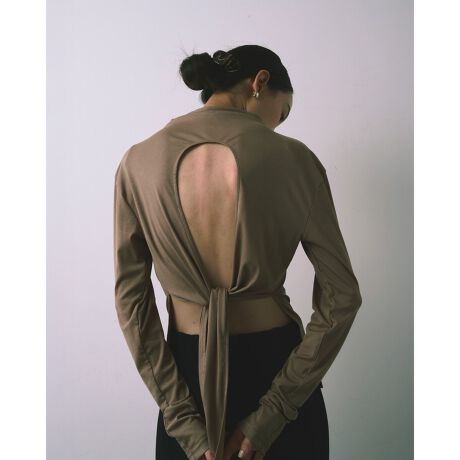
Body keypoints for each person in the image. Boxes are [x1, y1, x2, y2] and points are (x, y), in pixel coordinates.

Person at [113, 44, 363, 460]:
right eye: (282, 113)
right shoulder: (297, 160)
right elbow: (343, 296)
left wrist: (181, 419)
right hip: (276, 371)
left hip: (184, 377)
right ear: (260, 82)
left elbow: (131, 304)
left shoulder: (137, 162)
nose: (276, 126)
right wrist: (276, 410)